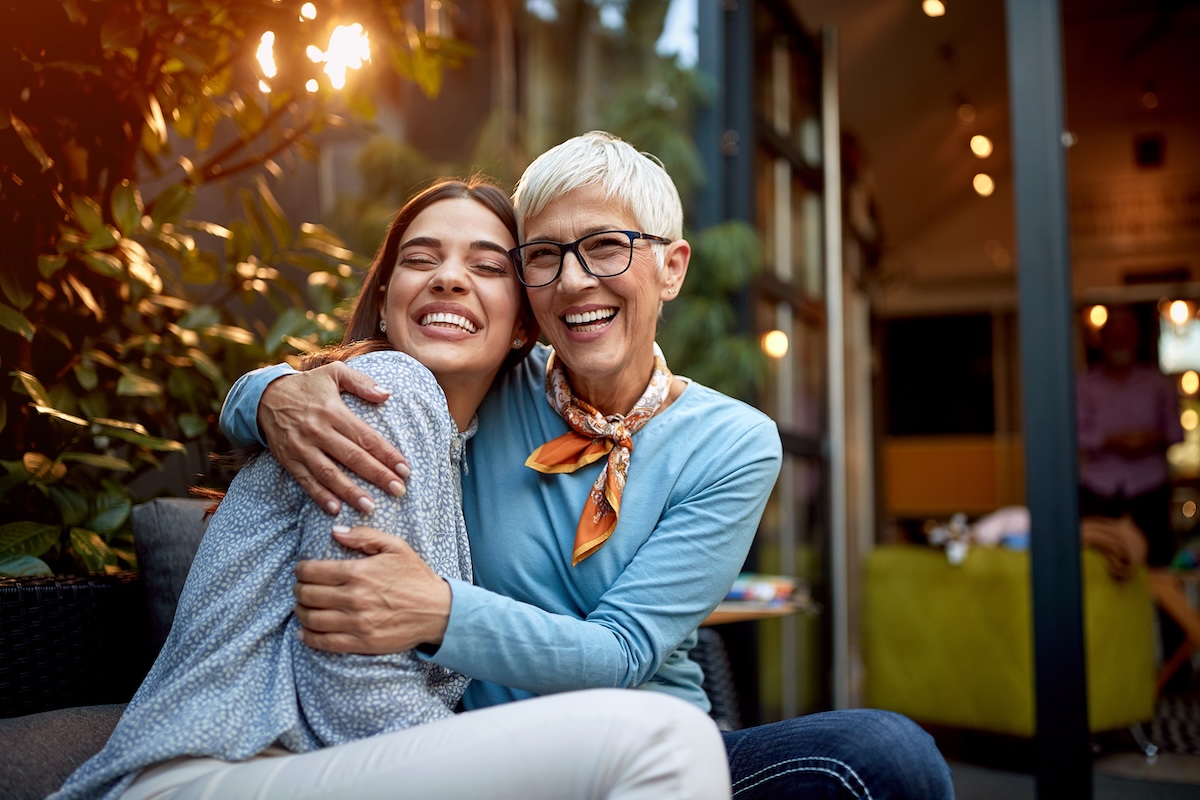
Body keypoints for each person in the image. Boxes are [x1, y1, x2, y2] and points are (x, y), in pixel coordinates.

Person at [222, 132, 955, 798]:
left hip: (661, 751)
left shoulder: (734, 443)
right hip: (489, 756)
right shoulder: (486, 386)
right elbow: (372, 378)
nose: (574, 282)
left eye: (605, 246)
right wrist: (266, 395)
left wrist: (439, 610)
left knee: (884, 755)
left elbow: (625, 651)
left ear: (671, 267)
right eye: (543, 256)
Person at [55, 177, 732, 800]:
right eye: (419, 259)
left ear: (526, 324)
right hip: (219, 772)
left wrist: (257, 391)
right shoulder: (391, 391)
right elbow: (353, 695)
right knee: (667, 741)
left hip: (304, 767)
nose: (448, 279)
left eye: (489, 267)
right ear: (383, 296)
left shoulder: (464, 446)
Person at [1077, 305, 1184, 567]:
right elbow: (1075, 436)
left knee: (1156, 562)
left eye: (1126, 336)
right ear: (1101, 341)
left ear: (1136, 339)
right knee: (1097, 561)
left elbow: (1176, 433)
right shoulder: (1085, 386)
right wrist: (1112, 441)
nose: (1120, 343)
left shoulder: (1156, 384)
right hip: (1099, 488)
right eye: (1114, 336)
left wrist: (1149, 439)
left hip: (1149, 485)